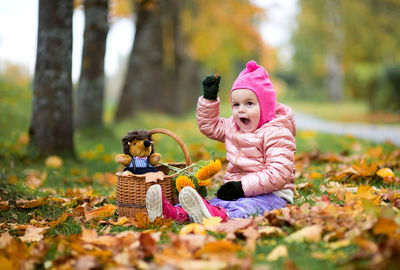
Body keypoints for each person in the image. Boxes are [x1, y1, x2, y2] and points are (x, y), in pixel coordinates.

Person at [146, 60, 296, 223]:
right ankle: (175, 213)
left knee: (247, 207)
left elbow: (279, 173)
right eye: (236, 104)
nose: (241, 110)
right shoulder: (233, 126)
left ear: (266, 106)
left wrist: (241, 187)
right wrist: (209, 99)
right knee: (217, 202)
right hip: (235, 190)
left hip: (272, 195)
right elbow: (210, 126)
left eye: (249, 103)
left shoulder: (277, 132)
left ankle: (217, 216)